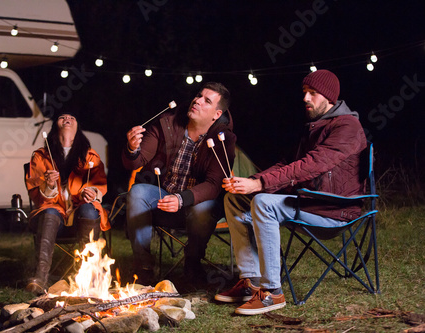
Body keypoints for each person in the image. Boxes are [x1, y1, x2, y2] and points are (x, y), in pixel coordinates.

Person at [216, 70, 367, 315]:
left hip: (334, 209)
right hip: (310, 202)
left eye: (313, 93)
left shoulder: (347, 126)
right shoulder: (314, 127)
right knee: (235, 199)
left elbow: (312, 165)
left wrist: (261, 185)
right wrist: (251, 181)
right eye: (304, 93)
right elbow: (288, 163)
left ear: (329, 97)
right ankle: (251, 281)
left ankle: (272, 292)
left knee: (264, 202)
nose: (306, 98)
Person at [122, 82, 236, 284]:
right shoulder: (167, 123)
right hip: (164, 197)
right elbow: (136, 162)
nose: (197, 101)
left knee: (204, 208)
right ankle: (143, 268)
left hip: (197, 204)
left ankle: (192, 265)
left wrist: (182, 199)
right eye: (199, 96)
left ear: (216, 114)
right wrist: (132, 149)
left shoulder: (223, 139)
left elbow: (213, 184)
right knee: (138, 192)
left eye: (206, 101)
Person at [25, 111, 109, 295]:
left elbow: (100, 185)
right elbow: (36, 193)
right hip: (54, 221)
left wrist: (93, 192)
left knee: (89, 208)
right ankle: (40, 278)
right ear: (56, 125)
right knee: (49, 211)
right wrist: (47, 185)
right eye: (62, 117)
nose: (67, 119)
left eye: (72, 117)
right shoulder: (41, 156)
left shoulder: (90, 157)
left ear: (78, 126)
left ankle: (91, 276)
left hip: (82, 218)